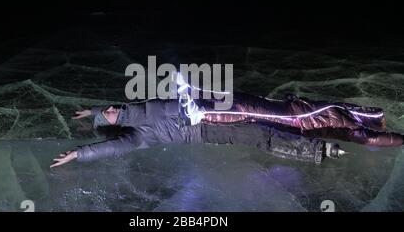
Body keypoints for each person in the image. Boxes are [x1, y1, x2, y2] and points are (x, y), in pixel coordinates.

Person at [50, 92, 403, 168]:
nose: (113, 108)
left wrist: (93, 111)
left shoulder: (132, 110)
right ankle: (361, 130)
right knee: (292, 120)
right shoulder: (136, 133)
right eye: (110, 113)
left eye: (110, 109)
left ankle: (363, 123)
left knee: (289, 114)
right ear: (116, 124)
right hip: (209, 127)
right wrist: (80, 153)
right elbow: (113, 148)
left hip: (220, 107)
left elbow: (109, 112)